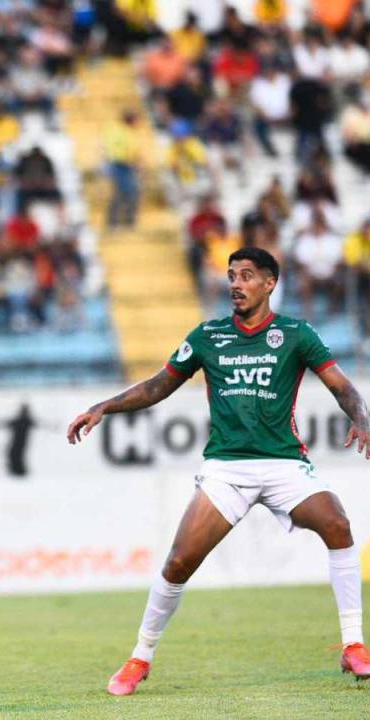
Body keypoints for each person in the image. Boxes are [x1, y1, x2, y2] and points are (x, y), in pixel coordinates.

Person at [66, 247, 370, 696]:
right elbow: (158, 385)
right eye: (231, 275)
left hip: (284, 463)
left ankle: (354, 645)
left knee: (337, 524)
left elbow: (342, 386)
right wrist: (103, 406)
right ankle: (140, 657)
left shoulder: (296, 333)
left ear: (269, 283)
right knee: (179, 561)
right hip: (227, 468)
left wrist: (361, 419)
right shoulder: (209, 335)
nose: (235, 284)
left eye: (246, 276)